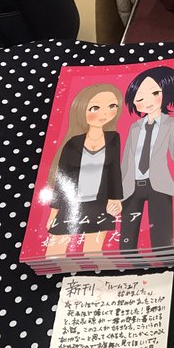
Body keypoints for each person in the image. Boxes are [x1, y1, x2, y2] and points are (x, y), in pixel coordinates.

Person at [119, 66, 174, 250]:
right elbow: (126, 161)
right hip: (130, 186)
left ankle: (164, 259)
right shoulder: (135, 127)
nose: (148, 102)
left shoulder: (172, 123)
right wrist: (117, 192)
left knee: (162, 240)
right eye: (140, 98)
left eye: (155, 93)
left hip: (159, 185)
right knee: (127, 239)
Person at [44, 83, 124, 257]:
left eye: (112, 106)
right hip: (71, 204)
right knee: (55, 252)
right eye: (95, 108)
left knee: (93, 252)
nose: (105, 114)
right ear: (81, 110)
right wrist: (53, 212)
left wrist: (115, 198)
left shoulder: (113, 138)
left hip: (100, 204)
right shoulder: (72, 143)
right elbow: (61, 178)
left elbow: (114, 170)